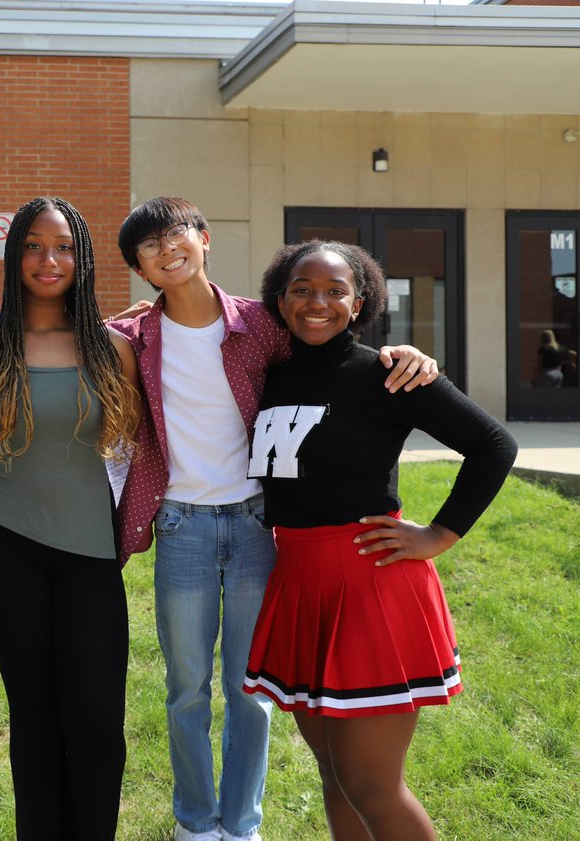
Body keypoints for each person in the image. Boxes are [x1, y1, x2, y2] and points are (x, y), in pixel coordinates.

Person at [109, 198, 438, 841]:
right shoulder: (133, 335)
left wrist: (405, 355)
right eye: (149, 246)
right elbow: (64, 327)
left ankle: (241, 824)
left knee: (249, 688)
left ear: (204, 240)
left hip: (261, 523)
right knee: (186, 689)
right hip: (182, 524)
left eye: (176, 234)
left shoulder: (264, 324)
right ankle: (196, 824)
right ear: (142, 269)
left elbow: (332, 342)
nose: (166, 248)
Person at [243, 241, 517, 841]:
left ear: (359, 301)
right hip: (299, 584)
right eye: (302, 289)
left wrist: (440, 533)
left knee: (371, 783)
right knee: (336, 773)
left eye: (334, 290)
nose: (318, 302)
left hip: (370, 586)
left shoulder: (387, 373)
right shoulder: (269, 374)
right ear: (280, 299)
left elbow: (494, 445)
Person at [0, 197, 141, 840]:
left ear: (82, 257)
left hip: (91, 556)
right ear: (14, 257)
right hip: (10, 549)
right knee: (32, 716)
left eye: (62, 246)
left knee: (95, 719)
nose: (48, 259)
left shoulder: (116, 349)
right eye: (33, 246)